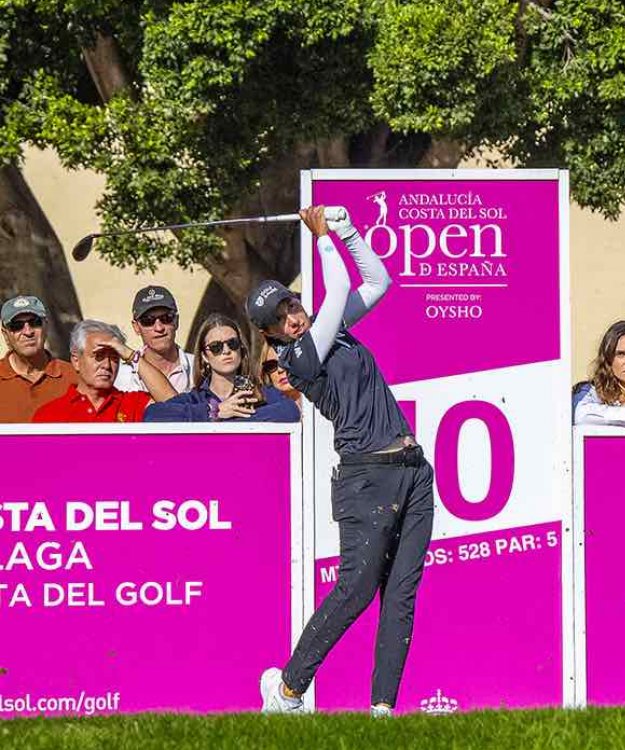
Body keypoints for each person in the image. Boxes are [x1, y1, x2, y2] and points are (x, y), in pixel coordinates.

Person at [248, 206, 431, 718]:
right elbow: (337, 290)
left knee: (401, 593)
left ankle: (382, 712)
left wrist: (348, 230)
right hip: (366, 478)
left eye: (290, 304)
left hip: (414, 471)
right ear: (272, 335)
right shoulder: (300, 357)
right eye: (280, 318)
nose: (292, 316)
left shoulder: (337, 331)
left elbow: (378, 282)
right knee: (356, 588)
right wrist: (324, 237)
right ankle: (287, 690)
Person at [143, 314, 299, 423]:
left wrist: (227, 422)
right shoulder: (196, 399)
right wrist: (214, 411)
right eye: (216, 347)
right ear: (204, 356)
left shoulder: (261, 394)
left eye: (232, 344)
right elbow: (152, 415)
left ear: (241, 349)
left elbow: (290, 411)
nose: (226, 351)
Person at [33, 320, 176, 423]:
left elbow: (175, 405)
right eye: (99, 356)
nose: (107, 365)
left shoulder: (132, 404)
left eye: (114, 357)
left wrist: (130, 355)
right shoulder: (49, 414)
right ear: (76, 361)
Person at [0, 295, 77, 422]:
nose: (28, 332)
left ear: (46, 326)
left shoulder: (74, 378)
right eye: (17, 326)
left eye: (35, 322)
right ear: (5, 334)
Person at [114, 285, 194, 394]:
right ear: (136, 327)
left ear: (176, 321)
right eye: (148, 321)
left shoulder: (199, 368)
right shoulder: (120, 376)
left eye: (166, 318)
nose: (159, 328)